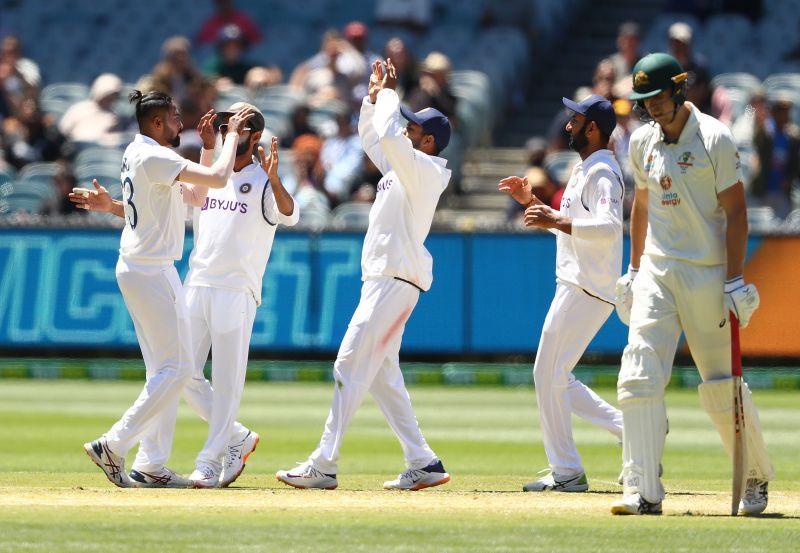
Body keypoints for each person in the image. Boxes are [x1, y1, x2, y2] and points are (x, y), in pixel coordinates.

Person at [276, 59, 451, 491]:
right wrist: (373, 99)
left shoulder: (425, 170)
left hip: (393, 282)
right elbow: (375, 138)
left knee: (350, 362)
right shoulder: (403, 169)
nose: (406, 130)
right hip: (385, 280)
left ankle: (324, 463)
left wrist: (391, 93)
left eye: (415, 128)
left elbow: (391, 137)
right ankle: (423, 462)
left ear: (428, 140)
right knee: (382, 375)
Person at [612, 53, 774, 515]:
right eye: (643, 100)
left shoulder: (714, 138)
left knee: (722, 385)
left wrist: (735, 278)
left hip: (707, 273)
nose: (651, 108)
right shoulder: (641, 140)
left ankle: (755, 475)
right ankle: (642, 489)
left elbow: (737, 211)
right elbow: (641, 205)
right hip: (659, 272)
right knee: (638, 375)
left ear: (678, 90)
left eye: (657, 97)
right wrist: (635, 269)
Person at [75, 90, 254, 487]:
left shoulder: (142, 153)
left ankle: (153, 464)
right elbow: (221, 180)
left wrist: (208, 148)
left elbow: (195, 197)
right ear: (156, 123)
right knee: (177, 369)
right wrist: (231, 138)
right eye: (174, 117)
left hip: (143, 267)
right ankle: (113, 444)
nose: (180, 122)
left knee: (165, 371)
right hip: (152, 271)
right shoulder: (155, 156)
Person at [499, 94, 625, 493]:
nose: (567, 125)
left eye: (575, 120)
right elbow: (572, 226)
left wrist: (556, 217)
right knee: (555, 376)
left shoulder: (603, 170)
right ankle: (632, 429)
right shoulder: (585, 167)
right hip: (579, 282)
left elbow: (608, 228)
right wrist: (534, 204)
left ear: (593, 128)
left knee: (546, 374)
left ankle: (567, 471)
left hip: (586, 286)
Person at [181, 102, 299, 487]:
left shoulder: (263, 180)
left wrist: (276, 179)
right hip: (197, 282)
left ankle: (210, 461)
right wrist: (208, 147)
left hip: (237, 289)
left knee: (228, 381)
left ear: (255, 135)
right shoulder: (211, 170)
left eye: (238, 125)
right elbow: (189, 198)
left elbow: (290, 213)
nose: (228, 129)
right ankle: (237, 437)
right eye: (224, 123)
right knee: (180, 374)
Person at [59, 73, 125, 147]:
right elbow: (64, 129)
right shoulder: (79, 108)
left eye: (114, 95)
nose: (110, 98)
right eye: (107, 94)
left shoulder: (114, 118)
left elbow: (114, 141)